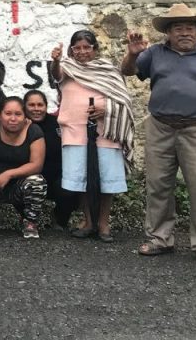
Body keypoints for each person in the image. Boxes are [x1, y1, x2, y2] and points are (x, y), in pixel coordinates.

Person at [121, 3, 196, 268]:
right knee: (158, 184)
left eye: (190, 28)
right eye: (178, 28)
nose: (185, 33)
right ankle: (160, 238)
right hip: (161, 127)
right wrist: (133, 55)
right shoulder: (154, 54)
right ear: (168, 33)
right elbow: (127, 71)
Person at [49, 30, 134, 242]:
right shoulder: (66, 68)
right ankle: (88, 221)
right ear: (71, 50)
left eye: (87, 47)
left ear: (95, 49)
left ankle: (104, 224)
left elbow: (122, 99)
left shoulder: (108, 71)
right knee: (82, 179)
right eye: (77, 48)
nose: (82, 52)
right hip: (74, 132)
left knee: (106, 180)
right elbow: (55, 74)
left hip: (106, 131)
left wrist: (106, 109)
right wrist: (56, 60)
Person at [0, 96, 47, 239]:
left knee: (37, 181)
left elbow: (37, 165)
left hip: (18, 187)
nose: (13, 118)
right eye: (8, 114)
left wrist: (9, 174)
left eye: (18, 114)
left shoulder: (33, 131)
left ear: (25, 117)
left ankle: (30, 222)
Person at [23, 90, 78, 232]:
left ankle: (60, 219)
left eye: (40, 105)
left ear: (46, 106)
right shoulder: (19, 125)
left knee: (69, 187)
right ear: (24, 107)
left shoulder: (57, 124)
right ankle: (26, 219)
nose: (36, 109)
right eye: (32, 105)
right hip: (28, 178)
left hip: (56, 177)